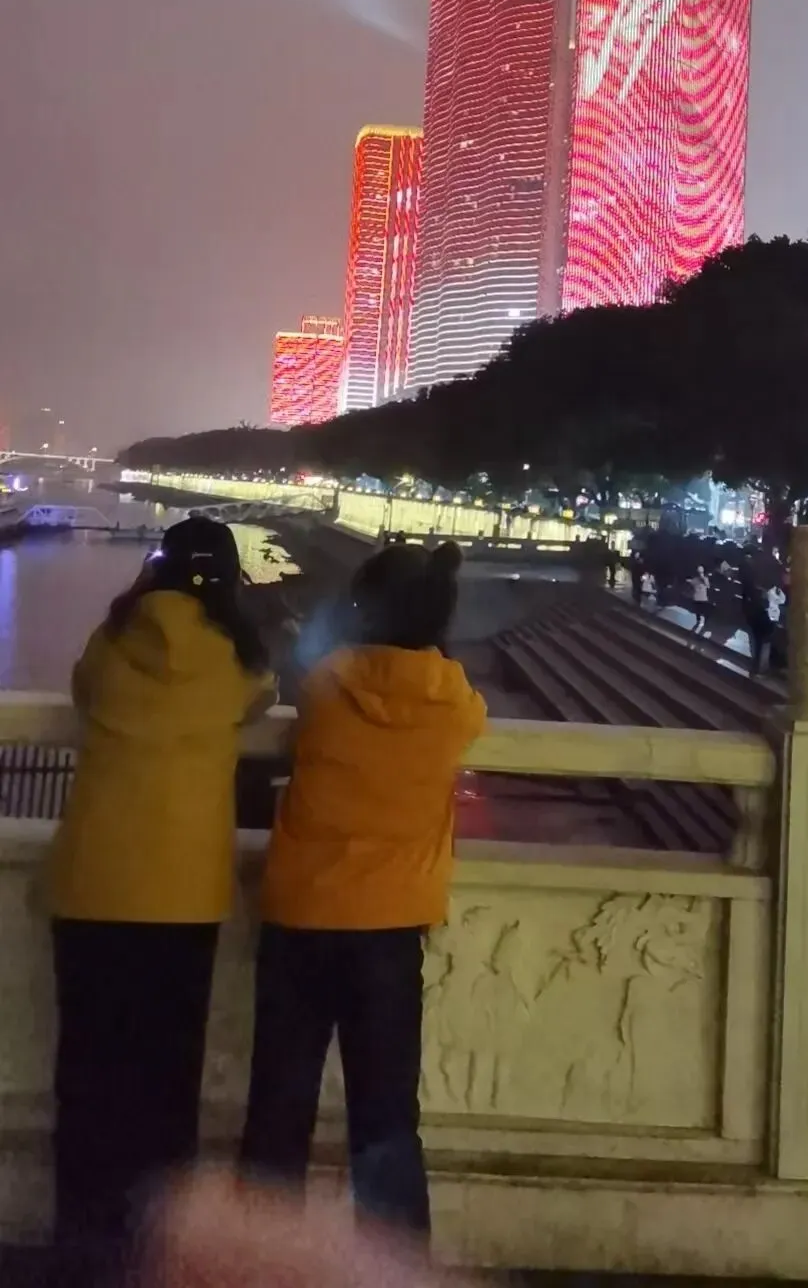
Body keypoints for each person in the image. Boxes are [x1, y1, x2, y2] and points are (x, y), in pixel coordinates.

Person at [240, 540, 487, 1236]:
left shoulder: (327, 683)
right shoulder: (455, 703)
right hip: (389, 926)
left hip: (301, 913)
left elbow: (300, 686)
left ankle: (252, 1263)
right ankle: (391, 1263)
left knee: (278, 1108)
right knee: (384, 1120)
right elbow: (467, 716)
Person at [47, 517, 276, 1252]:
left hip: (92, 885)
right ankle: (156, 1246)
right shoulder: (237, 660)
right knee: (167, 1081)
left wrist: (142, 594)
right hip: (182, 895)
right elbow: (261, 698)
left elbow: (82, 691)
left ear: (157, 568)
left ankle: (82, 1241)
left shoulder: (111, 642)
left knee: (87, 1073)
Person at [689, 565, 711, 636]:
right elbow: (691, 584)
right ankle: (698, 623)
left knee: (702, 613)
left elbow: (708, 586)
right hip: (697, 599)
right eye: (699, 572)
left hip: (703, 599)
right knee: (698, 613)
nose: (700, 574)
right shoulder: (695, 579)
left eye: (701, 572)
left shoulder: (705, 579)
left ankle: (702, 624)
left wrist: (703, 578)